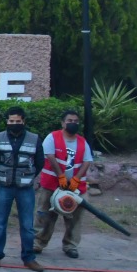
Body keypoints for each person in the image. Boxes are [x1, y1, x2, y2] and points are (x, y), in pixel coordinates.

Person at [0, 106, 44, 272]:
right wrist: (2, 175)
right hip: (4, 186)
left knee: (27, 225)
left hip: (25, 187)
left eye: (18, 121)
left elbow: (39, 162)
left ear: (23, 121)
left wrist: (28, 176)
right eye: (11, 121)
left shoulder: (34, 139)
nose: (14, 124)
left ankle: (29, 258)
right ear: (7, 122)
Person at [34, 109, 93, 260]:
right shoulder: (52, 137)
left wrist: (76, 179)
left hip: (75, 188)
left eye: (75, 121)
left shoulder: (82, 142)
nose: (72, 124)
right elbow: (50, 156)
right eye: (69, 121)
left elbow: (87, 161)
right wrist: (60, 176)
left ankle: (70, 245)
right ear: (62, 123)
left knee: (75, 217)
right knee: (45, 215)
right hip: (52, 185)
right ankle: (38, 243)